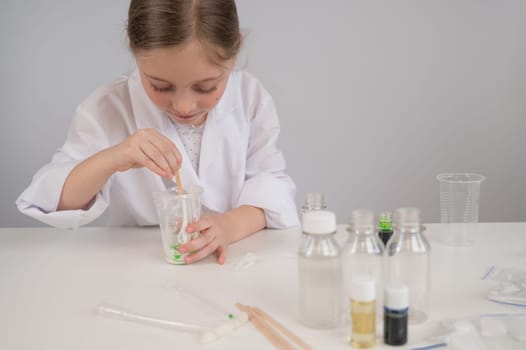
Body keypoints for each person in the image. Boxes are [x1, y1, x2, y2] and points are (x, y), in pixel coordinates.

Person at [16, 0, 299, 264]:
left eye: (206, 87)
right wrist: (115, 156)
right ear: (134, 51)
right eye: (161, 87)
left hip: (233, 262)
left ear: (235, 51)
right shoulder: (108, 109)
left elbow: (270, 186)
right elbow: (56, 203)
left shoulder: (250, 98)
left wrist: (228, 226)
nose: (184, 105)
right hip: (138, 266)